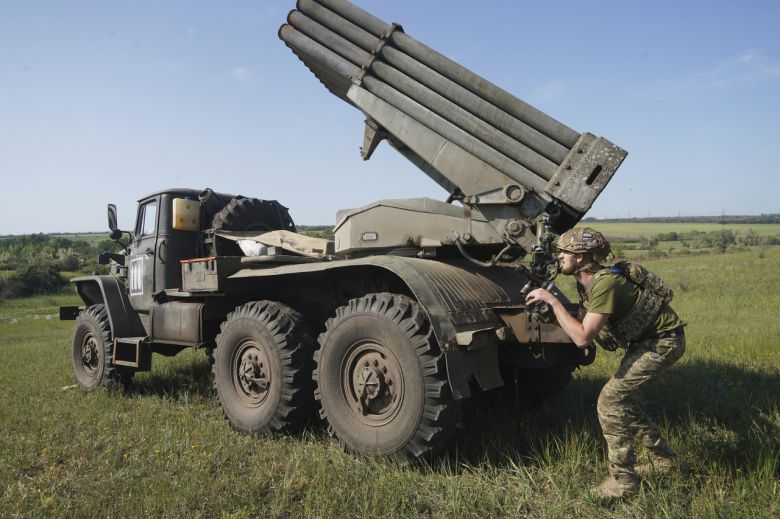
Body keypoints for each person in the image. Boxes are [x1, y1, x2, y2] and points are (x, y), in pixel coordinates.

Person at [524, 227, 686, 501]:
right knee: (626, 403)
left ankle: (623, 482)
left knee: (610, 402)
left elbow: (582, 338)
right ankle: (665, 460)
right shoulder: (587, 284)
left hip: (663, 342)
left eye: (564, 252)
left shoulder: (605, 283)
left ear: (580, 257)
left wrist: (551, 300)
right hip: (649, 341)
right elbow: (582, 324)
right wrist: (552, 312)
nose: (559, 256)